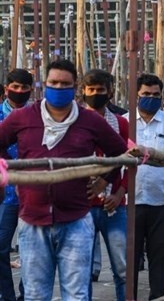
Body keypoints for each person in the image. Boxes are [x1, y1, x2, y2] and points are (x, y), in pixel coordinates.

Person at [0, 60, 128, 300]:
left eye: (65, 84)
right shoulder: (23, 117)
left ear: (75, 87)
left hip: (76, 220)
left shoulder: (90, 121)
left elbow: (120, 153)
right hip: (33, 219)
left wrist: (104, 179)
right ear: (44, 86)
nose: (59, 88)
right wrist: (13, 174)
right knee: (36, 295)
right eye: (54, 83)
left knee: (77, 295)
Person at [126, 73, 164, 300]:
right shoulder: (125, 122)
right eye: (145, 94)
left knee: (160, 257)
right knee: (130, 259)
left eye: (155, 95)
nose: (150, 98)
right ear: (136, 95)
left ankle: (159, 297)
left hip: (163, 200)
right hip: (131, 201)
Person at [81, 69, 128, 301]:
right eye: (91, 90)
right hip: (81, 208)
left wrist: (119, 193)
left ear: (109, 92)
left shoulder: (120, 123)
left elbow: (131, 162)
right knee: (82, 271)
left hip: (114, 207)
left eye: (100, 90)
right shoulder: (75, 123)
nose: (96, 94)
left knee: (122, 269)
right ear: (83, 92)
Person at [0, 68, 31, 301]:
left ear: (31, 90)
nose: (19, 91)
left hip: (34, 191)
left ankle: (26, 295)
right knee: (1, 248)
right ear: (6, 88)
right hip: (4, 194)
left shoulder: (37, 118)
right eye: (15, 86)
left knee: (33, 250)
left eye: (24, 87)